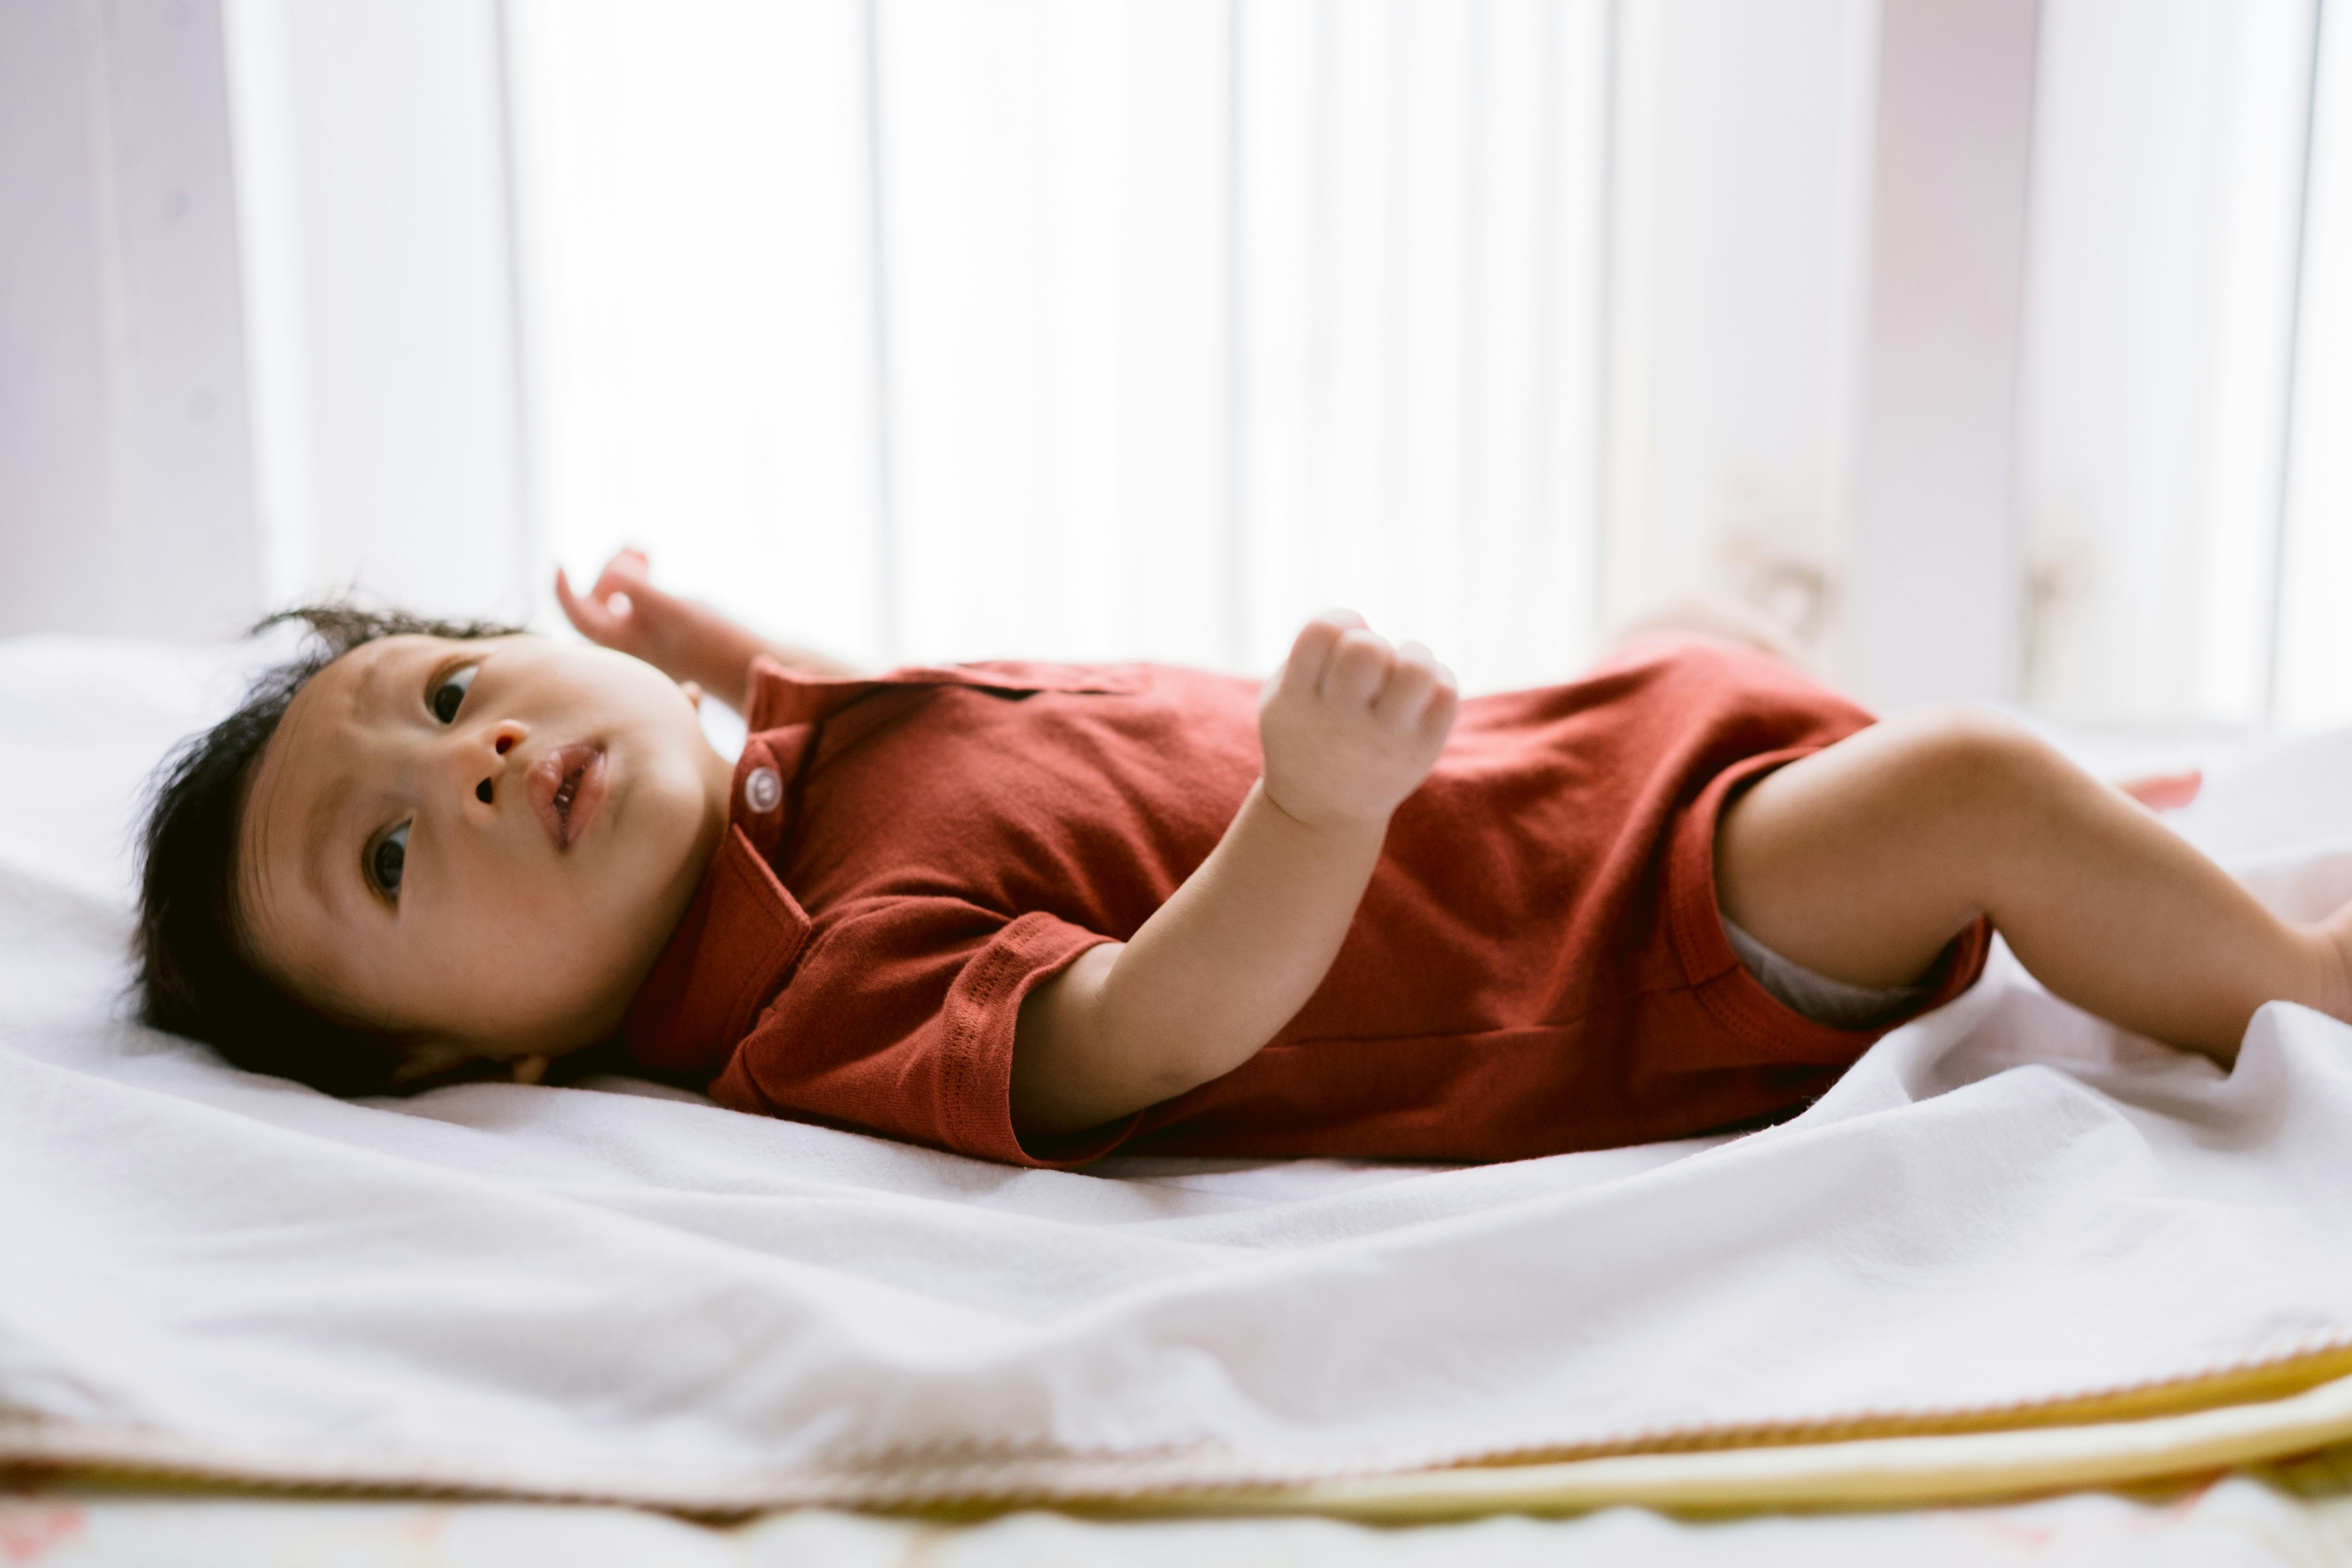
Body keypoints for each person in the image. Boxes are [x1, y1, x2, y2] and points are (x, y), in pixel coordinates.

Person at [135, 549, 2332, 1167]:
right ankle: (2293, 985)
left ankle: (2098, 875)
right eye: (398, 862)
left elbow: (914, 730)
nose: (493, 758)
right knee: (1958, 785)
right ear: (467, 1076)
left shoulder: (774, 790)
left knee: (1702, 626)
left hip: (1556, 774)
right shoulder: (819, 1005)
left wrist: (701, 643)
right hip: (1609, 939)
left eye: (445, 695)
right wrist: (1313, 811)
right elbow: (1138, 1026)